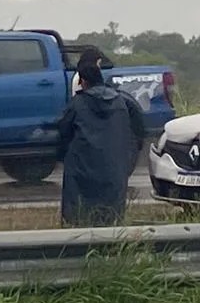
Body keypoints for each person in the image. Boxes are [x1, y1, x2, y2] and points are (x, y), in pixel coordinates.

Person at [57, 61, 145, 227]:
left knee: (79, 217)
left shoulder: (77, 103)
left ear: (83, 81)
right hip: (114, 167)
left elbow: (64, 132)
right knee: (110, 217)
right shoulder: (120, 101)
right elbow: (136, 131)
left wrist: (61, 155)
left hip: (82, 169)